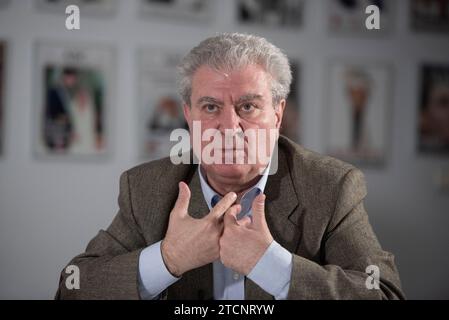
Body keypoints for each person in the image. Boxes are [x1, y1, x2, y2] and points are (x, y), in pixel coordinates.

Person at [56, 33, 404, 300]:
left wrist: (270, 264)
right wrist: (169, 259)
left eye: (248, 107)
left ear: (278, 115)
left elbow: (384, 294)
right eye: (210, 107)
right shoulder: (147, 188)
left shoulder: (330, 186)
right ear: (189, 116)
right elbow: (73, 288)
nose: (229, 126)